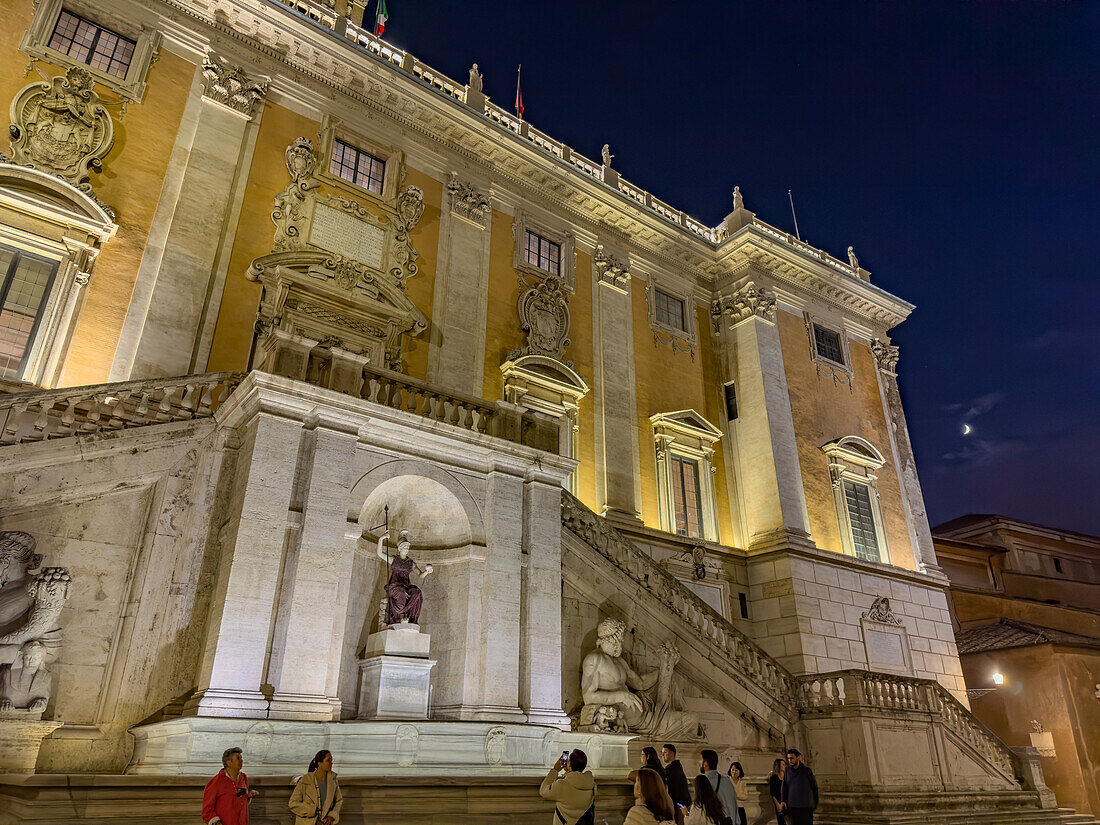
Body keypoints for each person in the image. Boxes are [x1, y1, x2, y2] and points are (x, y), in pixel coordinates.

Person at [539, 748, 597, 825]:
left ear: (569, 764)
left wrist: (555, 770)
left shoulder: (562, 785)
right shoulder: (592, 785)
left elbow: (543, 791)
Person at [202, 747, 258, 825]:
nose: (241, 760)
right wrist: (217, 823)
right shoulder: (216, 782)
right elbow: (207, 812)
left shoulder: (243, 778)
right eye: (238, 758)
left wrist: (248, 796)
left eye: (241, 758)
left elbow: (236, 800)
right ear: (229, 763)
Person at [289, 749, 343, 825]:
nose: (331, 763)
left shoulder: (333, 781)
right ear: (319, 763)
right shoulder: (306, 780)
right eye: (328, 760)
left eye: (332, 760)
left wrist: (332, 815)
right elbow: (293, 803)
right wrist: (311, 810)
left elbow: (338, 801)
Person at [781, 749, 818, 825]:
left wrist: (815, 803)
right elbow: (784, 786)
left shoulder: (806, 771)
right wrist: (783, 800)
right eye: (788, 758)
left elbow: (814, 787)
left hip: (806, 806)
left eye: (792, 758)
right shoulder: (787, 770)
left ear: (798, 758)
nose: (789, 760)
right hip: (793, 806)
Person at [700, 749, 737, 825]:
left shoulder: (702, 781)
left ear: (706, 763)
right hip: (727, 821)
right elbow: (733, 806)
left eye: (700, 760)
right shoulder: (726, 780)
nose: (698, 763)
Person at [661, 744, 691, 813]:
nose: (662, 755)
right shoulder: (676, 766)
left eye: (665, 752)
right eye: (662, 753)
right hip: (681, 804)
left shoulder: (672, 769)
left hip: (678, 806)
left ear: (672, 754)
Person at [768, 758, 788, 825]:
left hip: (788, 802)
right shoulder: (774, 777)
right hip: (779, 802)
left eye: (785, 764)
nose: (785, 766)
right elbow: (773, 793)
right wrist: (777, 804)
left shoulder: (787, 777)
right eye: (782, 764)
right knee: (781, 821)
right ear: (778, 765)